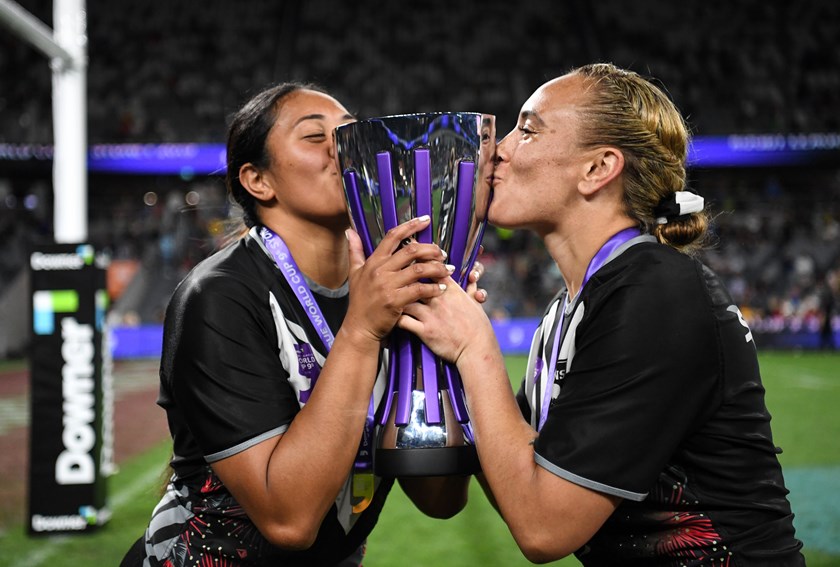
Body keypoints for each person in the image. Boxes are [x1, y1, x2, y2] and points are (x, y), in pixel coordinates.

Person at [400, 63, 805, 565]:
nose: (498, 149)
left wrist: (473, 346)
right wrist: (424, 350)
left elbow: (543, 527)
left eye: (526, 130)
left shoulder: (657, 290)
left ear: (597, 169)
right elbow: (493, 485)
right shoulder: (569, 310)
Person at [126, 82, 469, 566]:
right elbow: (289, 520)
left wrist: (437, 357)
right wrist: (362, 330)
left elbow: (440, 498)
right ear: (257, 180)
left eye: (349, 132)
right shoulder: (221, 296)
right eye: (315, 137)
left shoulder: (390, 287)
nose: (344, 146)